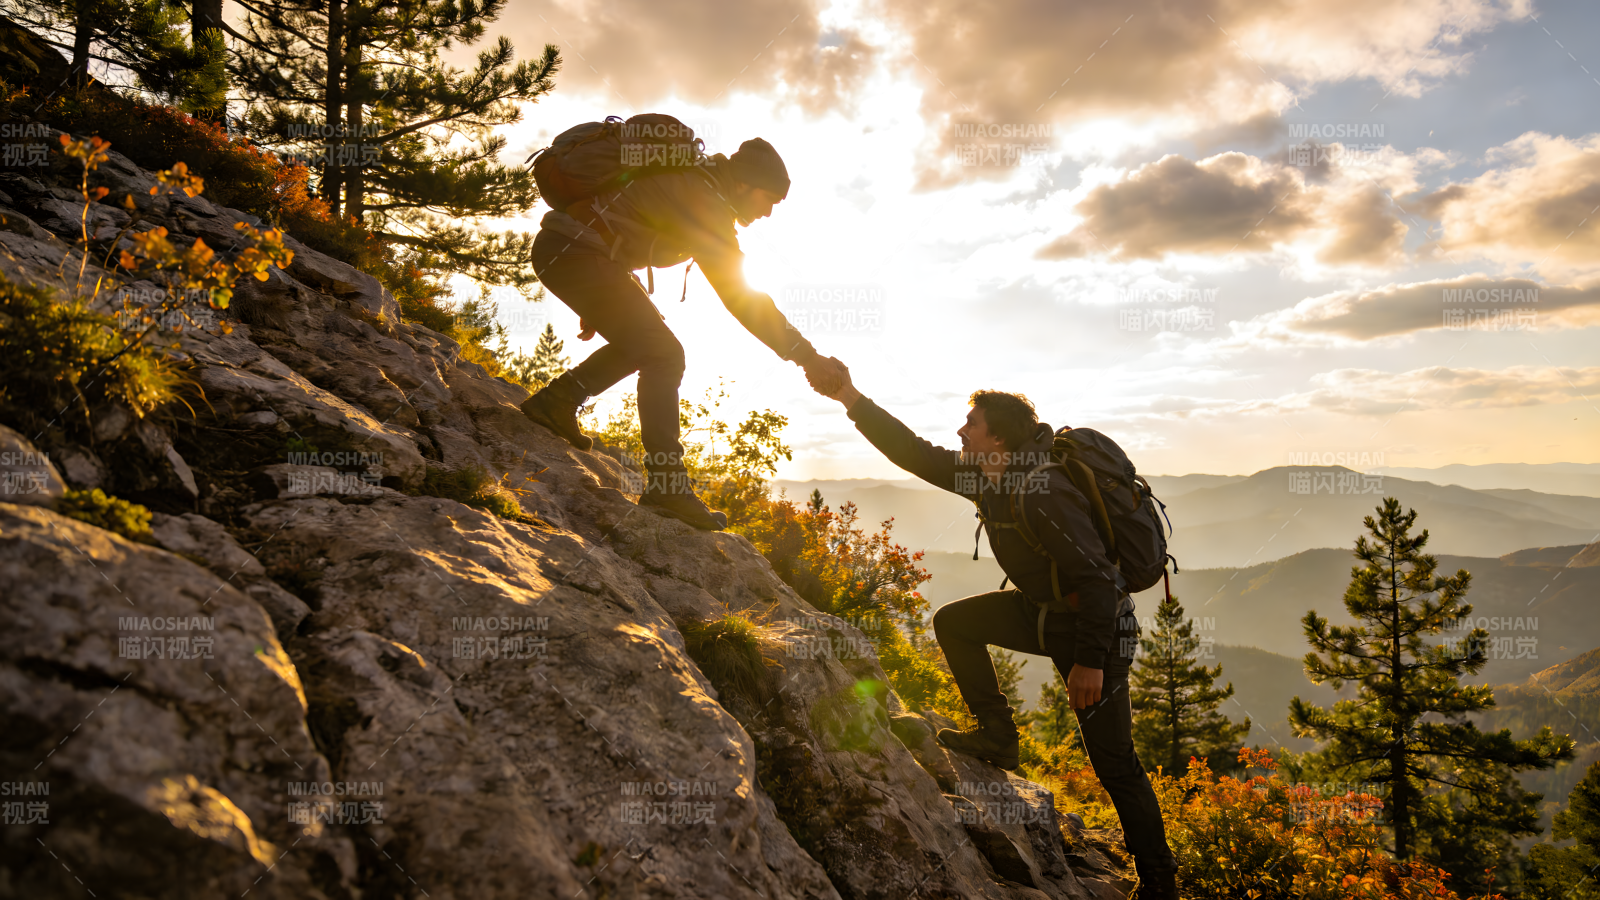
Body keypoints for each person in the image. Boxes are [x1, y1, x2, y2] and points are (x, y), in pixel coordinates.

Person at [808, 359, 1180, 900]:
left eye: (971, 424)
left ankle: (1160, 881)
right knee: (955, 623)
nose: (961, 432)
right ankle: (1000, 736)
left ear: (997, 436)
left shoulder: (1041, 491)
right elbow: (913, 452)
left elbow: (1100, 581)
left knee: (1114, 762)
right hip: (1043, 611)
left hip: (1096, 628)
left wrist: (1091, 661)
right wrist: (850, 398)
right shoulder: (988, 476)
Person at [521, 136, 845, 530]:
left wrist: (609, 294)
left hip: (573, 251)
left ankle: (556, 402)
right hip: (574, 253)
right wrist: (807, 356)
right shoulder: (705, 201)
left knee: (647, 342)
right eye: (770, 199)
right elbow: (741, 297)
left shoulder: (697, 184)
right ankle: (667, 486)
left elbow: (627, 217)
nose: (769, 213)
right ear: (745, 183)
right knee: (665, 354)